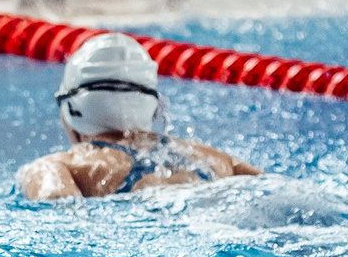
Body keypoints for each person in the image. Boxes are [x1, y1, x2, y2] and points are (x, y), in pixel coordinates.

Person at [17, 33, 256, 200]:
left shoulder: (57, 167)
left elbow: (57, 217)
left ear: (70, 111)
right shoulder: (211, 158)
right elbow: (270, 186)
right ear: (154, 107)